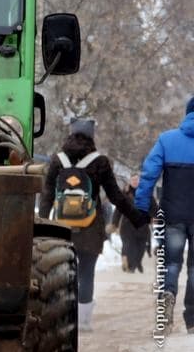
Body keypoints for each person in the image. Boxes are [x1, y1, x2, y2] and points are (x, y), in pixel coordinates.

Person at [38, 118, 140, 332]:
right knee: (86, 272)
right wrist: (135, 216)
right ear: (91, 136)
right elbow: (116, 197)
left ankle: (62, 317)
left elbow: (47, 194)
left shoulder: (58, 160)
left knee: (61, 272)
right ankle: (83, 322)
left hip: (61, 227)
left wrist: (45, 224)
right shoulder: (100, 161)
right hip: (90, 227)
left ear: (71, 133)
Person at [134, 96, 194, 334]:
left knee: (171, 264)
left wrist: (141, 206)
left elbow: (148, 176)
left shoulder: (167, 140)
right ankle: (193, 321)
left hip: (173, 215)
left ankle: (166, 307)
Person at [109, 174, 155, 274]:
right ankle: (131, 266)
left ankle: (137, 262)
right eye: (133, 180)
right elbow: (118, 210)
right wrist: (114, 223)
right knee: (130, 246)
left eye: (137, 180)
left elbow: (153, 207)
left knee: (141, 248)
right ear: (130, 181)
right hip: (127, 226)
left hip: (142, 226)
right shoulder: (125, 194)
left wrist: (153, 217)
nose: (135, 182)